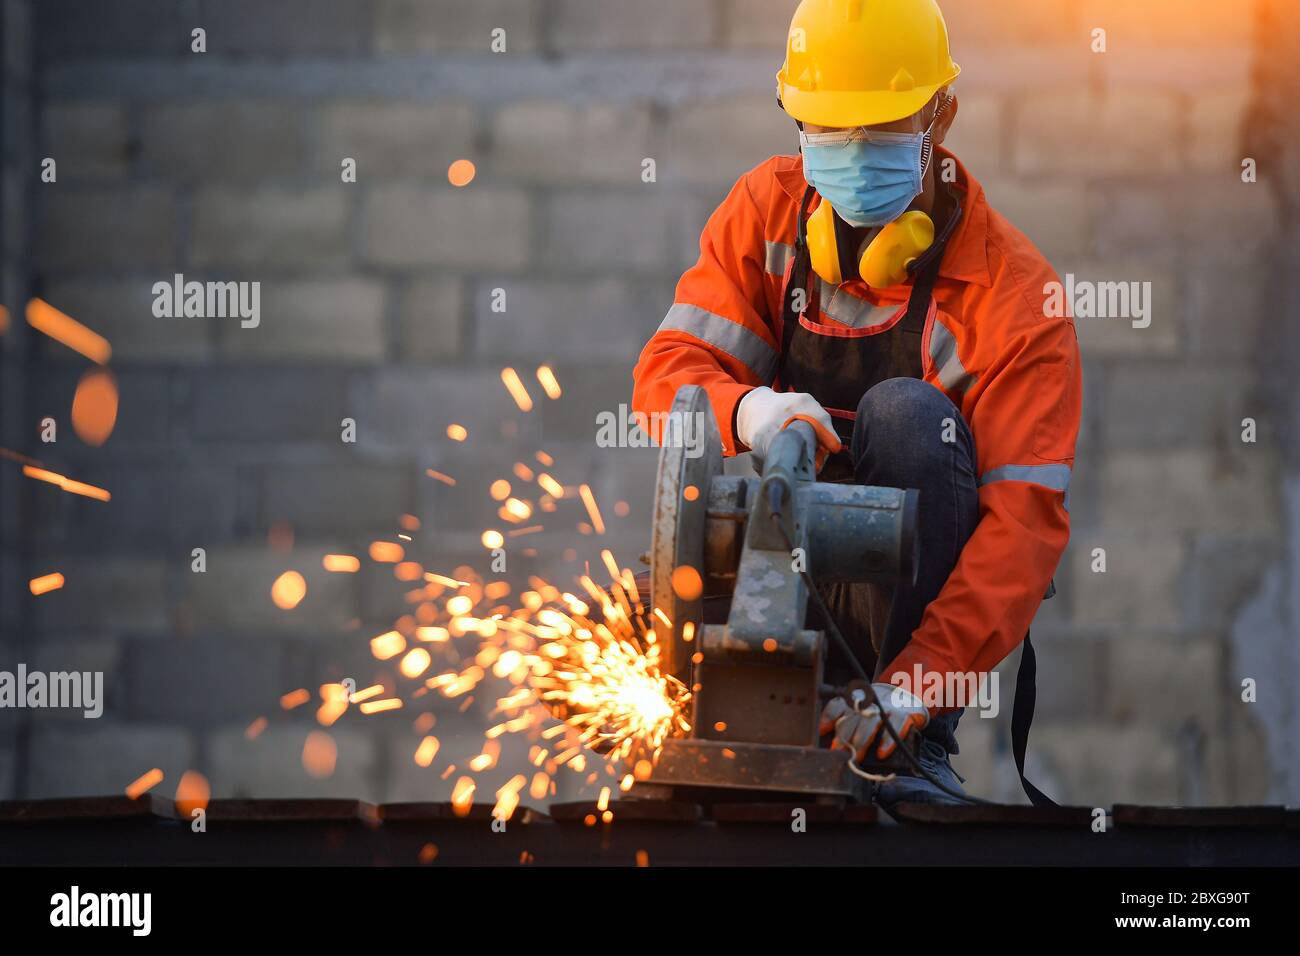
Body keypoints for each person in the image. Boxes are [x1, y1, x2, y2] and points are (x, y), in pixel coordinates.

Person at [632, 0, 1081, 805]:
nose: (851, 152)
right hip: (759, 603)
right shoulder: (765, 214)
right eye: (827, 128)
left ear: (940, 115)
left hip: (906, 656)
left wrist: (918, 688)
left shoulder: (1016, 299)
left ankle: (904, 753)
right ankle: (723, 713)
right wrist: (748, 413)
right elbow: (668, 376)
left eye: (880, 127)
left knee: (908, 415)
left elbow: (1023, 528)